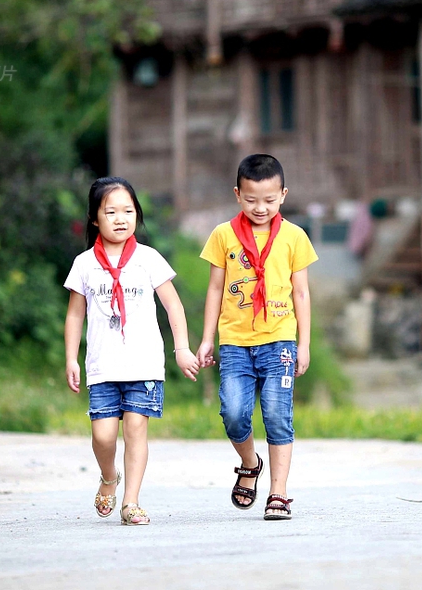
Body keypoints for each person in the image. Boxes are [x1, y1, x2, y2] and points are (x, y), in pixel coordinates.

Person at [64, 176, 200, 525]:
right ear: (95, 218)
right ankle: (109, 477)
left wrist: (181, 349)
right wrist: (71, 359)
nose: (121, 218)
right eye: (111, 211)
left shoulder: (148, 258)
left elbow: (173, 306)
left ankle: (131, 502)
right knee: (103, 435)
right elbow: (75, 314)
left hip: (144, 365)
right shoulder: (84, 264)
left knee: (136, 430)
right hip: (102, 366)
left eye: (128, 210)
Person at [196, 154, 318, 520]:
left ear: (283, 194)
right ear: (237, 194)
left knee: (278, 415)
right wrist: (206, 339)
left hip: (280, 340)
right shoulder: (223, 235)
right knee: (233, 413)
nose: (260, 207)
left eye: (268, 200)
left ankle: (278, 493)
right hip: (234, 342)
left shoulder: (295, 236)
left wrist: (304, 344)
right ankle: (249, 463)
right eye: (251, 200)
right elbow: (215, 289)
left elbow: (301, 293)